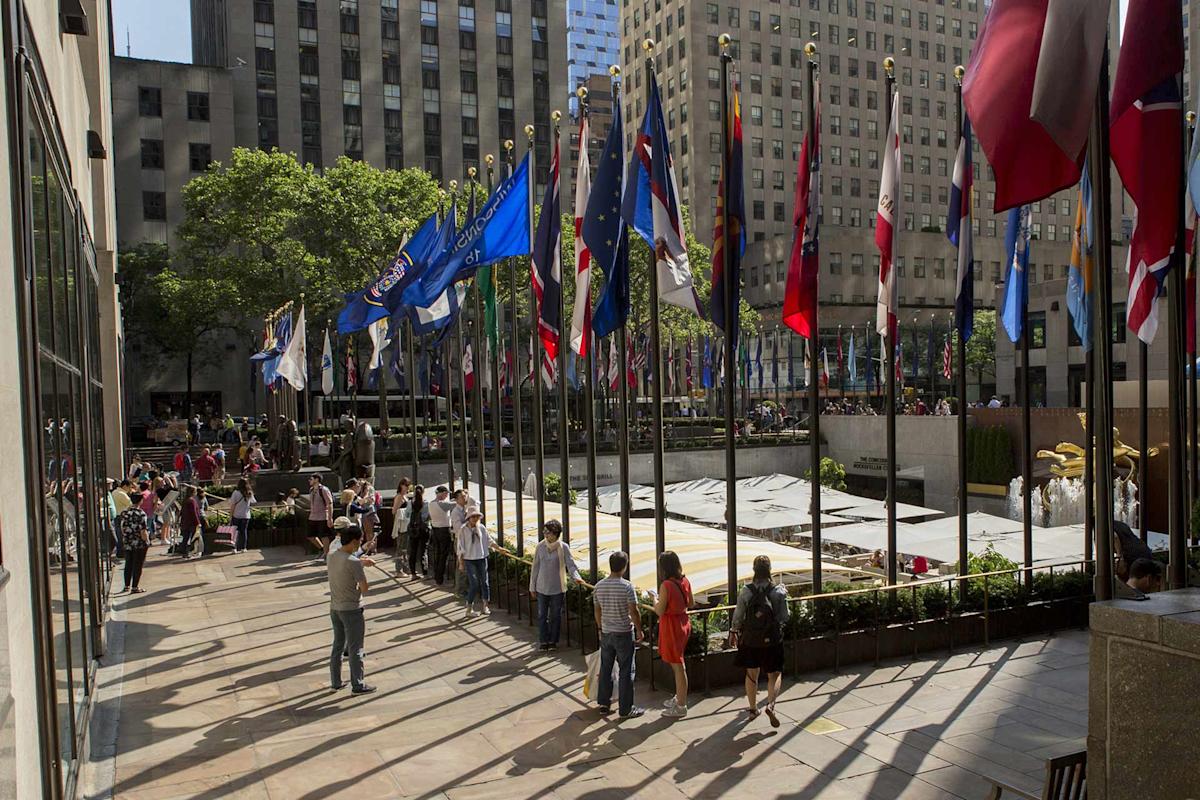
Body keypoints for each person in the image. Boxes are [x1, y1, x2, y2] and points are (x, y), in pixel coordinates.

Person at [732, 555, 789, 727]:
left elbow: (738, 616)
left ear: (754, 570)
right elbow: (784, 617)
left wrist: (733, 631)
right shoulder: (777, 590)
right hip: (771, 639)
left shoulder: (746, 591)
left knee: (751, 674)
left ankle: (752, 708)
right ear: (770, 570)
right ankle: (771, 705)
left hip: (750, 639)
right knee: (775, 673)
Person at [593, 550, 645, 719]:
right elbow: (634, 611)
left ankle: (603, 703)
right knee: (626, 670)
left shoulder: (599, 586)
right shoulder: (627, 586)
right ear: (624, 567)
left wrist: (600, 628)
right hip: (623, 632)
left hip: (607, 632)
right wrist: (639, 628)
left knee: (606, 668)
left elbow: (597, 610)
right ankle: (626, 708)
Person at [326, 523, 377, 695]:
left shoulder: (331, 555)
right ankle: (358, 683)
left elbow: (347, 561)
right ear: (355, 541)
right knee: (356, 648)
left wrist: (362, 562)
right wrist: (361, 565)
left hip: (335, 607)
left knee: (338, 645)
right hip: (352, 608)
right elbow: (364, 588)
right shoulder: (354, 563)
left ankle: (336, 681)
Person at [652, 550, 694, 718]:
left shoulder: (666, 586)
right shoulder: (685, 580)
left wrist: (654, 599)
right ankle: (679, 697)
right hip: (683, 623)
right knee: (678, 662)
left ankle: (681, 705)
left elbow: (659, 610)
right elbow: (690, 602)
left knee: (678, 665)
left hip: (671, 626)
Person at [528, 520, 581, 650]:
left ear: (556, 533)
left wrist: (577, 577)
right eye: (544, 532)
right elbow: (535, 567)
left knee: (555, 615)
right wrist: (532, 586)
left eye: (548, 532)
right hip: (541, 587)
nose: (545, 535)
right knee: (542, 615)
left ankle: (553, 641)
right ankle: (543, 640)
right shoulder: (540, 546)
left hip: (558, 587)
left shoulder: (563, 547)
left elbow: (570, 564)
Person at [456, 507, 494, 618]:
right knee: (474, 583)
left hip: (481, 557)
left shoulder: (481, 528)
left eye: (477, 516)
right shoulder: (463, 530)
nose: (475, 518)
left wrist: (499, 548)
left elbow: (489, 540)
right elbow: (460, 547)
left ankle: (485, 605)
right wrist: (461, 562)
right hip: (469, 559)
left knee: (485, 582)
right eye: (473, 516)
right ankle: (469, 607)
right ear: (469, 517)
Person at [118, 490, 151, 593]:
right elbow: (143, 530)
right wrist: (147, 541)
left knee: (128, 564)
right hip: (139, 542)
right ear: (140, 501)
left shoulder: (125, 512)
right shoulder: (141, 514)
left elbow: (122, 528)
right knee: (138, 565)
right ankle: (135, 587)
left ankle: (126, 585)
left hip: (128, 541)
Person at [427, 486, 455, 585]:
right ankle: (440, 578)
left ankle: (437, 576)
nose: (447, 495)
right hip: (444, 530)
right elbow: (456, 504)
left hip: (435, 530)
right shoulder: (443, 504)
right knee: (444, 555)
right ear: (441, 493)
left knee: (437, 554)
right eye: (446, 493)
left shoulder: (430, 504)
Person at [306, 474, 334, 563]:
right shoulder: (311, 490)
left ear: (317, 480)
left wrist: (330, 518)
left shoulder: (324, 490)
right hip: (313, 516)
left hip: (322, 516)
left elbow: (330, 504)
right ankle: (322, 549)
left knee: (324, 536)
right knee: (310, 536)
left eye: (311, 479)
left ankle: (327, 554)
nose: (309, 481)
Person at [406, 485, 431, 580]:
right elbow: (427, 517)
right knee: (423, 551)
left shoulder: (410, 503)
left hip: (413, 529)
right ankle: (425, 573)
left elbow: (407, 515)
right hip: (423, 529)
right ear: (423, 492)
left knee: (413, 551)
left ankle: (413, 574)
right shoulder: (426, 503)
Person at [391, 477, 413, 575]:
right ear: (401, 486)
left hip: (406, 524)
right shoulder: (399, 496)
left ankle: (405, 568)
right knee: (400, 548)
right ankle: (398, 570)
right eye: (406, 485)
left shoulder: (406, 496)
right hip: (401, 525)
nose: (407, 487)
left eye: (408, 485)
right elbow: (394, 511)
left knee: (405, 548)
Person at [229, 477, 255, 553]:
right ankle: (243, 547)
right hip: (246, 515)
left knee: (235, 532)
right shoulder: (249, 492)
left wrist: (230, 515)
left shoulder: (235, 493)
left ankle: (234, 548)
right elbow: (253, 502)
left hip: (236, 515)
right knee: (244, 532)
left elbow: (233, 504)